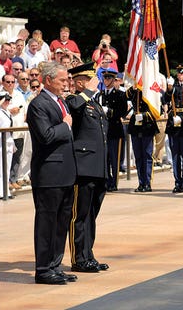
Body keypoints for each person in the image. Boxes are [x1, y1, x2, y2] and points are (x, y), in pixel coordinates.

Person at [26, 61, 77, 285]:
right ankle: (43, 269)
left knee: (61, 222)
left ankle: (56, 265)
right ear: (48, 80)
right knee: (47, 223)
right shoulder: (38, 104)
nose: (66, 83)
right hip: (49, 173)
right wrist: (65, 126)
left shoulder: (60, 101)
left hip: (65, 172)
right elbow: (45, 135)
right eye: (62, 80)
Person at [65, 62, 110, 273]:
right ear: (80, 82)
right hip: (83, 168)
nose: (97, 83)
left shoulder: (94, 104)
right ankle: (78, 259)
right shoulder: (74, 100)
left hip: (97, 167)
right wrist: (89, 90)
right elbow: (73, 107)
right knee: (79, 215)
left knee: (91, 215)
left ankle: (88, 255)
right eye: (92, 80)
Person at [94, 68, 127, 192]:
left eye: (109, 78)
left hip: (114, 130)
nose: (106, 80)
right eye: (105, 78)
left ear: (114, 80)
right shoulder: (99, 95)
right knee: (105, 158)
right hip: (103, 131)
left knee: (114, 158)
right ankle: (106, 180)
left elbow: (122, 111)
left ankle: (114, 182)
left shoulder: (120, 95)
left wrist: (110, 111)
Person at [164, 66, 183, 193]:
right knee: (175, 155)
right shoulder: (173, 87)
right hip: (173, 125)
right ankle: (177, 181)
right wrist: (169, 88)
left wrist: (182, 118)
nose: (181, 76)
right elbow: (164, 100)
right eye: (179, 74)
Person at [126, 85, 159, 192]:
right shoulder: (135, 90)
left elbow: (156, 109)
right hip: (135, 126)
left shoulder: (150, 90)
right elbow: (125, 96)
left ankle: (147, 183)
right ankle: (141, 183)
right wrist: (132, 87)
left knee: (147, 155)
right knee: (138, 156)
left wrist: (144, 116)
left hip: (147, 126)